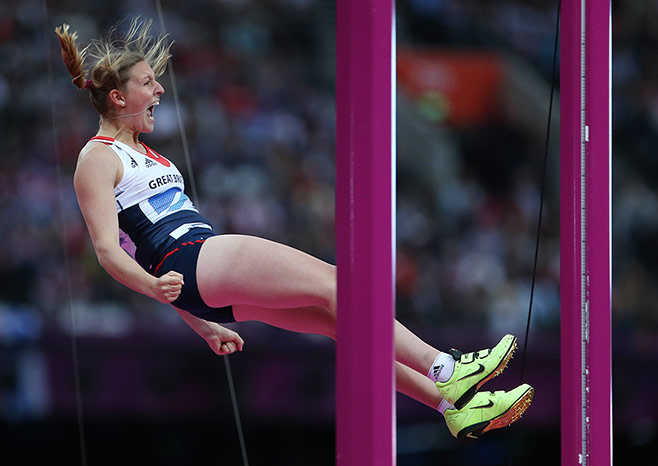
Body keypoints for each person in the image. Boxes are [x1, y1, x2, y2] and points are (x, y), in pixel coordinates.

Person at [55, 19, 533, 440]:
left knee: (340, 322)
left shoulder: (149, 154)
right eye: (148, 83)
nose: (160, 91)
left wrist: (201, 324)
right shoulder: (97, 157)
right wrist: (156, 287)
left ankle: (452, 407)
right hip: (193, 255)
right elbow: (109, 252)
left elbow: (146, 263)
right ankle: (446, 367)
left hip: (199, 277)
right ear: (119, 97)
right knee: (336, 282)